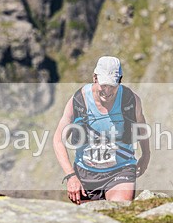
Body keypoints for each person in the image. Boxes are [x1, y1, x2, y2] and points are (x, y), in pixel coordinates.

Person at [53, 56, 150, 204]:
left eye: (112, 85)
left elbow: (141, 126)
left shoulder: (130, 100)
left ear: (120, 80)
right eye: (104, 85)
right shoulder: (78, 101)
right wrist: (71, 176)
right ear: (95, 78)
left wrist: (146, 155)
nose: (107, 90)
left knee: (119, 208)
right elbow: (58, 140)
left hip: (120, 170)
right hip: (85, 174)